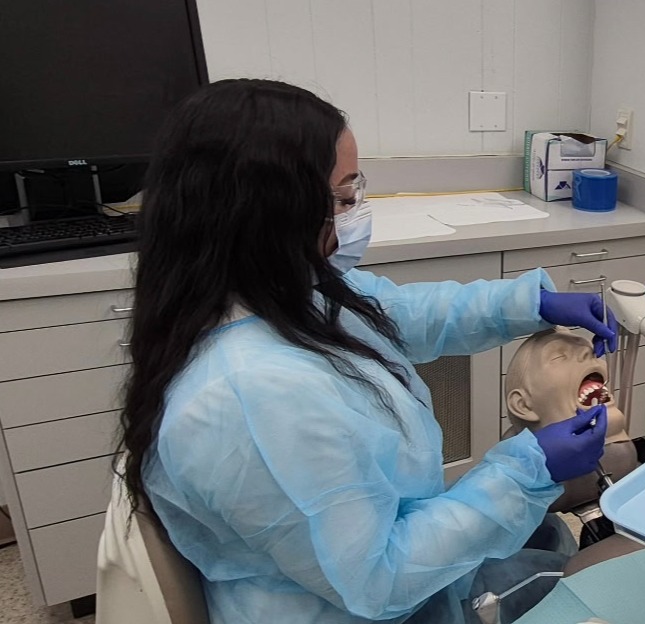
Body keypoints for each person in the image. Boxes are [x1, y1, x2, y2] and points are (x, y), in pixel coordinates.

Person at [116, 79, 619, 624]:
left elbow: (402, 315)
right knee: (598, 575)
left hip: (377, 557)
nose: (355, 210)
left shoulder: (284, 290)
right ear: (269, 209)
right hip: (372, 607)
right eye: (342, 196)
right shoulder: (253, 398)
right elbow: (379, 580)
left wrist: (531, 303)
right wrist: (529, 468)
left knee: (543, 530)